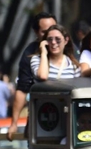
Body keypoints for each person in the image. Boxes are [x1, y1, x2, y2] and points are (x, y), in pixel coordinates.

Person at [8, 11, 57, 140]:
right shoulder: (31, 56)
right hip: (41, 114)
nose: (50, 37)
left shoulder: (71, 52)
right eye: (44, 32)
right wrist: (14, 123)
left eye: (54, 30)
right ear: (36, 32)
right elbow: (22, 88)